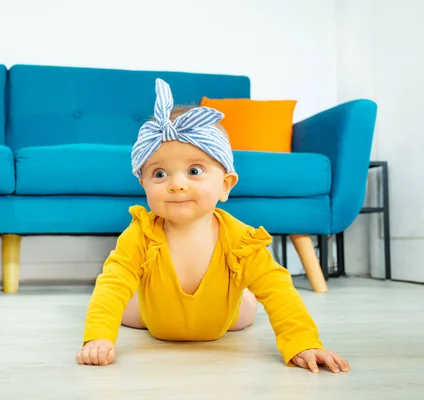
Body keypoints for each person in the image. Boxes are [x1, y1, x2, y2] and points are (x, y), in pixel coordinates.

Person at [75, 78, 349, 374]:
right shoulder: (140, 233)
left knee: (248, 308)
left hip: (226, 320)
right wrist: (98, 337)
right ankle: (145, 295)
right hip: (153, 318)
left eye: (194, 171)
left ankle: (239, 294)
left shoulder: (242, 240)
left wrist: (303, 343)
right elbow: (113, 284)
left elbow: (278, 291)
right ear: (142, 185)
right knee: (121, 300)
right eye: (159, 173)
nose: (176, 184)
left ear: (226, 185)